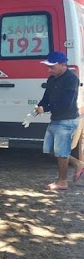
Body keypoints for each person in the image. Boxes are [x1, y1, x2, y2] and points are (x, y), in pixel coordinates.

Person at [36, 51, 84, 190]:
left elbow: (66, 103)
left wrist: (46, 109)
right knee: (51, 150)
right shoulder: (52, 79)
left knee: (61, 152)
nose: (49, 69)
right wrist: (40, 106)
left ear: (63, 65)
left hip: (67, 119)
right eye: (48, 66)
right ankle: (78, 164)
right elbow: (46, 97)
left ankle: (62, 181)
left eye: (52, 67)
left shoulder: (71, 79)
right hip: (56, 118)